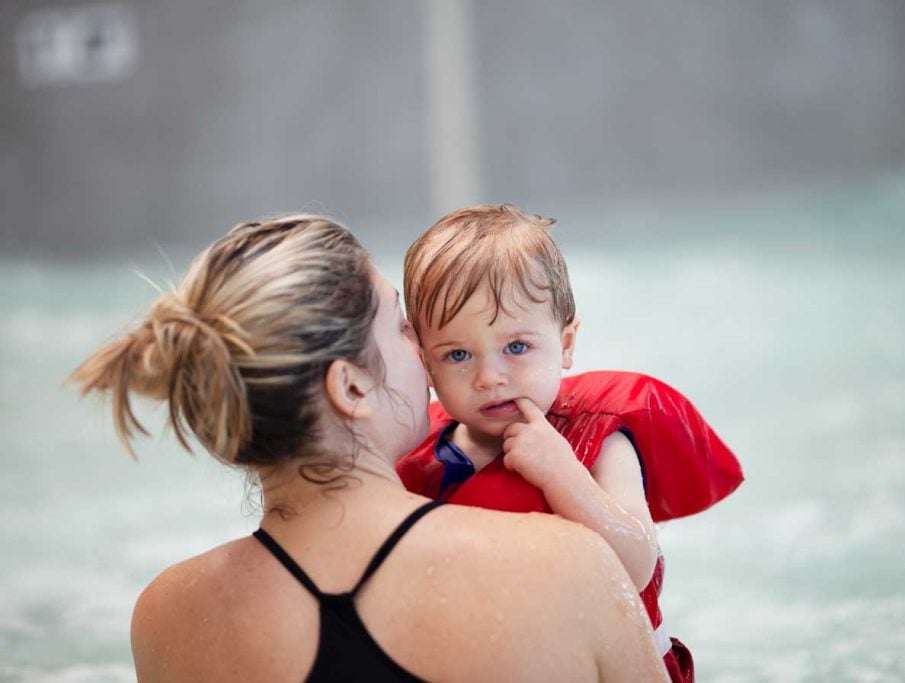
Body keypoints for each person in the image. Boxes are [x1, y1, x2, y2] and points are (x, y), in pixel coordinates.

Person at [70, 215, 669, 682]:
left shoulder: (168, 619)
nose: (428, 350)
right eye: (403, 326)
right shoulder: (569, 567)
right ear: (350, 385)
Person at [398, 205, 744, 683]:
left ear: (565, 344)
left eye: (516, 347)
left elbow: (636, 565)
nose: (488, 377)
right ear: (424, 364)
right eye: (457, 354)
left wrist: (563, 476)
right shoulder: (419, 464)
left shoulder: (599, 440)